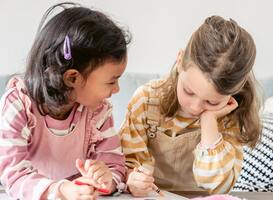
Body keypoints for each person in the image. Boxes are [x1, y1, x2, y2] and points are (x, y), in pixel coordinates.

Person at [0, 2, 130, 200]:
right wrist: (61, 190)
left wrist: (106, 178)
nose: (117, 89)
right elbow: (13, 175)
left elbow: (115, 166)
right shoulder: (19, 104)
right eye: (111, 81)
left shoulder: (98, 111)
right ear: (73, 78)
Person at [120, 15, 262, 196]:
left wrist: (209, 122)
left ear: (233, 92)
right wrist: (134, 178)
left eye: (212, 102)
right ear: (180, 61)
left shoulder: (230, 116)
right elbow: (129, 163)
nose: (195, 107)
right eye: (188, 91)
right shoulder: (146, 101)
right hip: (151, 195)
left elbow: (218, 188)